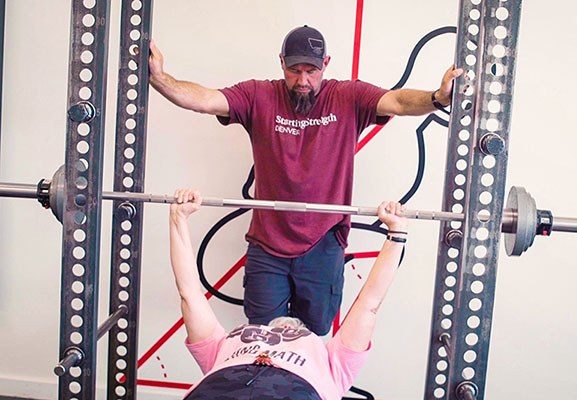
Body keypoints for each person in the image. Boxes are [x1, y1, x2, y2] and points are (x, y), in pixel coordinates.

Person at [151, 25, 462, 335]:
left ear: (325, 63)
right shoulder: (258, 95)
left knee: (312, 342)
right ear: (281, 62)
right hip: (267, 246)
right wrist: (161, 78)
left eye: (311, 71)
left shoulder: (347, 96)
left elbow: (399, 102)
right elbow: (205, 100)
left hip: (323, 246)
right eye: (294, 70)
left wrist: (438, 98)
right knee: (259, 341)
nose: (302, 81)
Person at [169, 188, 409, 400]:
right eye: (296, 329)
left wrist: (398, 231)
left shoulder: (220, 348)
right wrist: (177, 218)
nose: (286, 327)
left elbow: (371, 304)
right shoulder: (331, 363)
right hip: (226, 387)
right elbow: (188, 293)